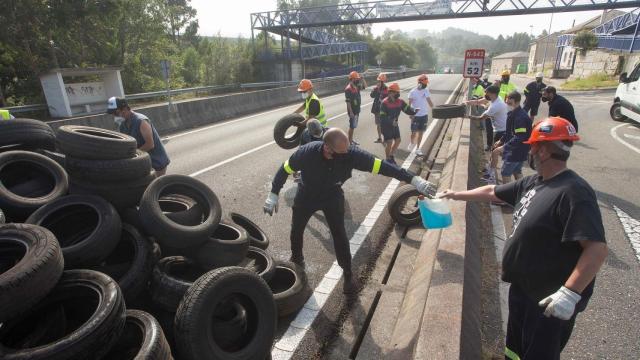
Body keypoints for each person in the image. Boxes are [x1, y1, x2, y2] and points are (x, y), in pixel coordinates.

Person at [440, 117, 607, 360]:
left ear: (544, 150)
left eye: (533, 146)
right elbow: (492, 192)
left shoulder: (574, 191)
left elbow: (596, 248)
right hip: (522, 291)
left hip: (548, 302)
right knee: (514, 350)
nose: (530, 151)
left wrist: (570, 293)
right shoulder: (534, 182)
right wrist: (455, 194)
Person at [263, 128, 437, 294]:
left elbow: (383, 166)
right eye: (342, 152)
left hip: (332, 196)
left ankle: (347, 274)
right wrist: (273, 194)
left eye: (347, 149)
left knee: (339, 235)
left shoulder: (351, 154)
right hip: (306, 196)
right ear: (327, 148)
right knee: (296, 229)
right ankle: (297, 259)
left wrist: (414, 180)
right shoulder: (307, 153)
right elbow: (284, 169)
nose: (347, 154)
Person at [107, 97, 170, 176]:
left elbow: (150, 144)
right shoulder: (123, 125)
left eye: (116, 113)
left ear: (125, 109)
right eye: (113, 114)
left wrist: (133, 154)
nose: (115, 116)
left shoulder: (141, 121)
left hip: (156, 161)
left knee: (157, 186)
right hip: (143, 162)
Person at [488, 91, 532, 184]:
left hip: (518, 149)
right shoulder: (513, 113)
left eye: (510, 103)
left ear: (517, 102)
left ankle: (507, 195)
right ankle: (521, 191)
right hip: (520, 148)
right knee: (517, 171)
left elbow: (520, 137)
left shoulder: (520, 117)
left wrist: (503, 147)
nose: (507, 105)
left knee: (505, 172)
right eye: (506, 103)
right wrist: (501, 140)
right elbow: (509, 132)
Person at [379, 83, 418, 163]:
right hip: (386, 125)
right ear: (390, 93)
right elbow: (382, 117)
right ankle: (387, 160)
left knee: (398, 140)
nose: (398, 94)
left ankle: (391, 155)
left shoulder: (400, 102)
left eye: (398, 92)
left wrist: (414, 112)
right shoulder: (384, 103)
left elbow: (407, 109)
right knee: (389, 142)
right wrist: (391, 122)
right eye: (396, 92)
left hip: (394, 124)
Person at [466, 85, 508, 153]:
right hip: (499, 126)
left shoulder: (495, 106)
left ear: (492, 94)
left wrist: (468, 116)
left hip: (501, 131)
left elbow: (480, 118)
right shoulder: (496, 98)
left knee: (496, 151)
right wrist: (467, 102)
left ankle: (494, 161)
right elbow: (478, 101)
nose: (485, 94)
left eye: (487, 93)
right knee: (497, 149)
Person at [408, 74, 434, 156]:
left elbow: (429, 101)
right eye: (425, 83)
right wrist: (410, 113)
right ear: (419, 83)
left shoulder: (426, 90)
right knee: (414, 133)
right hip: (415, 116)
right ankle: (412, 142)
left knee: (421, 132)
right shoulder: (412, 92)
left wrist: (435, 108)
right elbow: (409, 104)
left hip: (424, 115)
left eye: (426, 84)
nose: (426, 85)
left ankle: (418, 148)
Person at [345, 71, 367, 145]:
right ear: (352, 79)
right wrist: (351, 112)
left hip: (357, 110)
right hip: (352, 111)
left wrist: (362, 79)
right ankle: (349, 142)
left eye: (358, 78)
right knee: (352, 126)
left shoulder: (357, 86)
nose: (357, 80)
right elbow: (348, 102)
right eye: (356, 79)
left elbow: (365, 86)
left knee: (353, 126)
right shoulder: (348, 89)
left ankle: (351, 140)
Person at [370, 73, 389, 143]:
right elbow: (371, 96)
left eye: (379, 81)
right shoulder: (376, 88)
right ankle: (380, 138)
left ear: (383, 82)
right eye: (377, 81)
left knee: (384, 124)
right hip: (377, 109)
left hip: (384, 110)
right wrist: (376, 89)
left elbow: (389, 99)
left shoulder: (387, 89)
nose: (377, 82)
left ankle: (386, 138)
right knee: (378, 124)